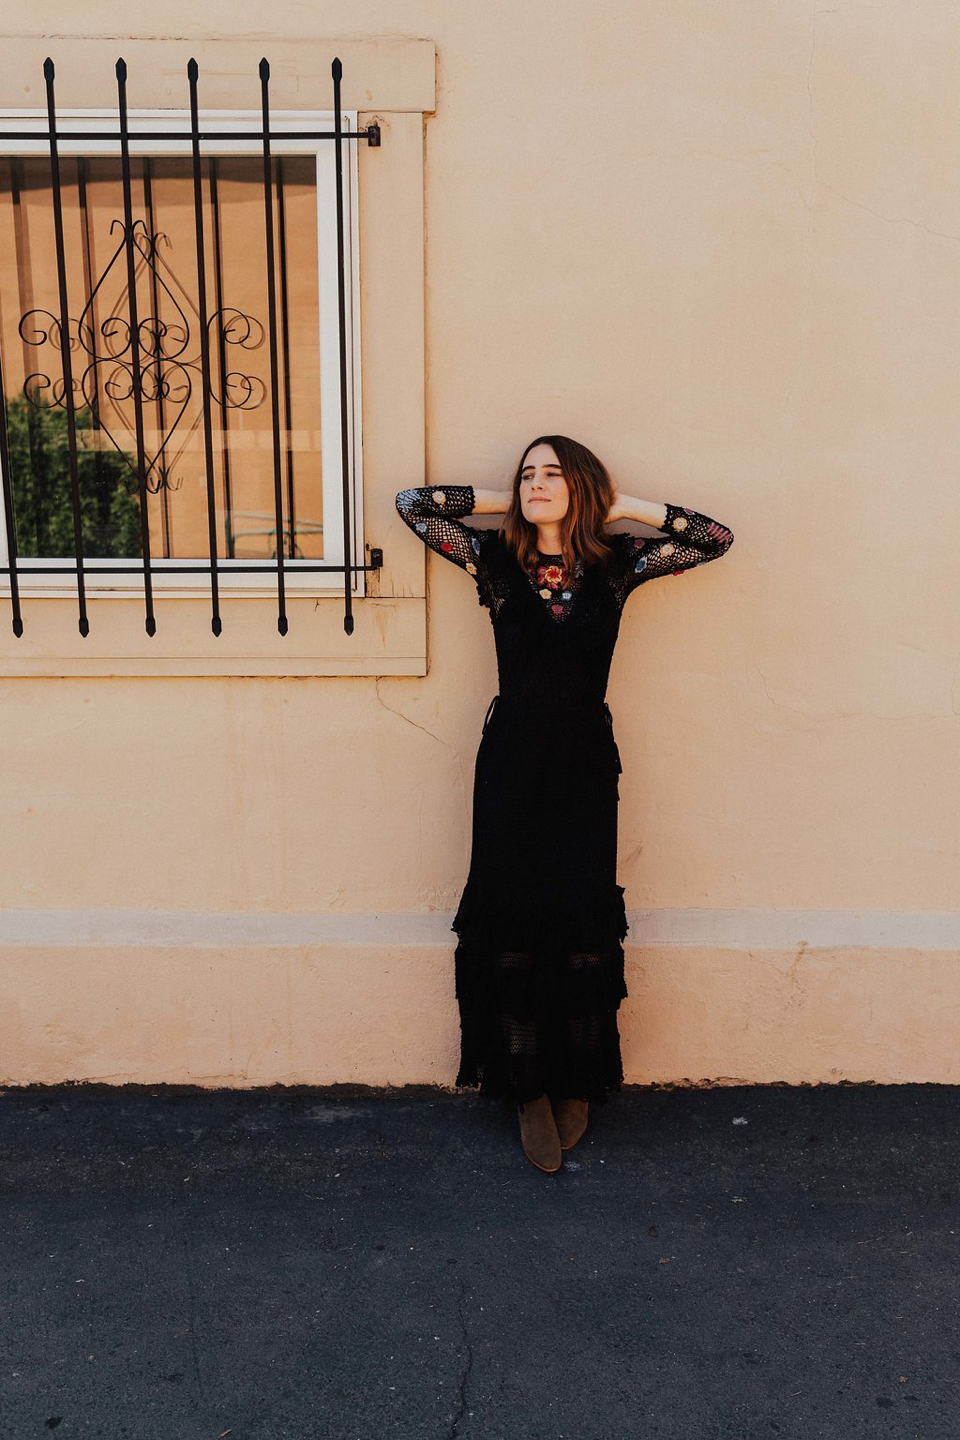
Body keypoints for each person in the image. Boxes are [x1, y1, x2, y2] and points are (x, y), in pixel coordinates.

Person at [395, 435, 734, 1174]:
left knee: (579, 912)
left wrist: (620, 506)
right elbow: (413, 506)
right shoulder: (491, 559)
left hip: (583, 761)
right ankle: (526, 1087)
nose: (537, 483)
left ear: (582, 486)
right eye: (528, 474)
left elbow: (714, 538)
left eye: (553, 474)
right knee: (515, 912)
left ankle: (576, 1080)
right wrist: (509, 502)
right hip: (512, 761)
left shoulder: (617, 565)